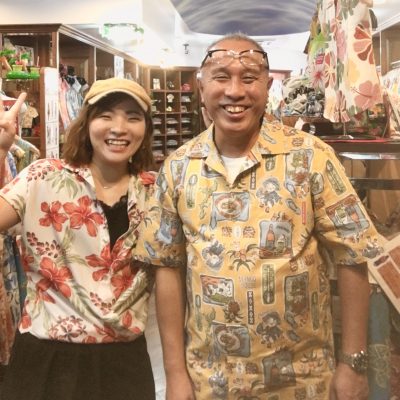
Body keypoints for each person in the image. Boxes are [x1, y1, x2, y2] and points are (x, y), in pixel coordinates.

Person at [134, 33, 383, 400]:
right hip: (209, 381)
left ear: (267, 88)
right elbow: (167, 267)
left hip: (302, 381)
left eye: (249, 78)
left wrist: (353, 363)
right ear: (201, 88)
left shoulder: (310, 157)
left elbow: (353, 254)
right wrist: (175, 374)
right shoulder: (178, 168)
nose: (235, 91)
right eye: (221, 77)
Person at [0, 78, 157, 400]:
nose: (119, 128)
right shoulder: (43, 177)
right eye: (106, 116)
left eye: (132, 117)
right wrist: (1, 150)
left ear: (145, 129)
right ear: (86, 123)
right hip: (47, 358)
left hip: (124, 362)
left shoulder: (156, 192)